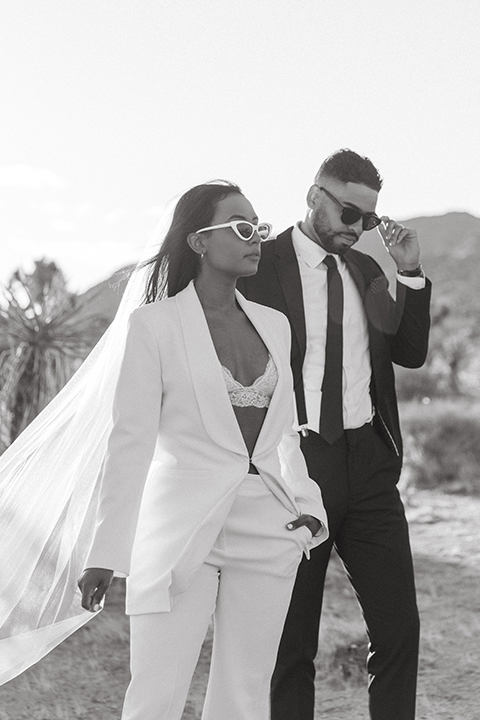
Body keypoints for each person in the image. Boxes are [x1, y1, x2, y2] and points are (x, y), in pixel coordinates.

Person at [74, 180, 328, 720]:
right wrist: (106, 550)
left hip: (267, 527)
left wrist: (308, 509)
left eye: (259, 227)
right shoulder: (155, 326)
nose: (256, 237)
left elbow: (284, 433)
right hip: (180, 530)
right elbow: (131, 441)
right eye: (240, 227)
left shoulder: (276, 327)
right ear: (198, 242)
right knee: (156, 696)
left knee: (245, 694)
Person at [237, 150, 432, 720]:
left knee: (399, 629)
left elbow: (409, 353)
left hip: (368, 462)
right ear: (313, 195)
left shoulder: (369, 270)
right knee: (291, 642)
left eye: (367, 219)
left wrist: (410, 272)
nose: (356, 227)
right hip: (295, 465)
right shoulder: (258, 266)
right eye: (348, 211)